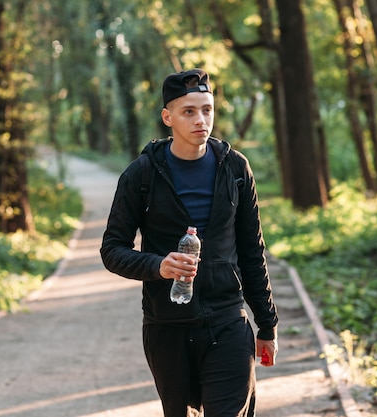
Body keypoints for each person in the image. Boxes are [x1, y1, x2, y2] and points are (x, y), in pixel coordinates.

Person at [100, 68, 279, 417]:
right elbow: (112, 249)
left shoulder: (236, 169)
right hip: (167, 327)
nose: (201, 119)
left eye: (207, 109)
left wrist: (267, 323)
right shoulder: (142, 174)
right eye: (189, 111)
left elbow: (252, 251)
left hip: (228, 321)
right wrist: (158, 266)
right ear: (168, 117)